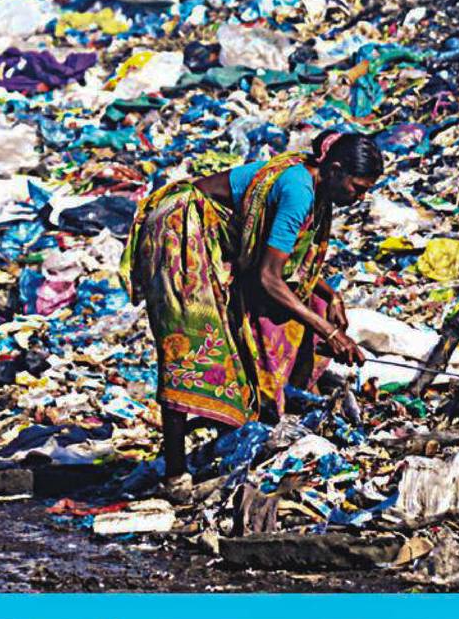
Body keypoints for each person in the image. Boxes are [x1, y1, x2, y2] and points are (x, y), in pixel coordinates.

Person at [124, 125, 385, 487]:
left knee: (264, 323)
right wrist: (328, 331)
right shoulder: (299, 190)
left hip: (216, 239)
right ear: (336, 170)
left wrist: (330, 295)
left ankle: (251, 429)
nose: (359, 198)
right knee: (191, 347)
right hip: (180, 232)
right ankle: (175, 475)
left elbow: (284, 261)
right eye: (357, 188)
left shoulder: (316, 184)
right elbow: (268, 278)